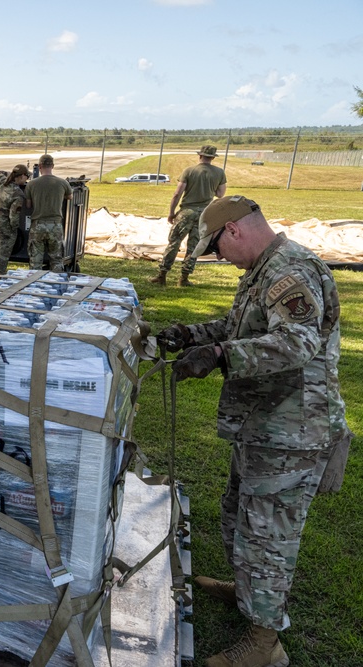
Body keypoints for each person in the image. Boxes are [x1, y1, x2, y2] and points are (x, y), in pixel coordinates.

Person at [158, 195, 350, 667]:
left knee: (268, 537)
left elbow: (295, 343)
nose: (218, 258)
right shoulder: (264, 270)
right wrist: (193, 335)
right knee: (239, 514)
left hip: (293, 433)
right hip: (266, 424)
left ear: (235, 232)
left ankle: (264, 645)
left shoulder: (290, 273)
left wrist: (222, 356)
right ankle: (248, 591)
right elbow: (241, 325)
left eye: (216, 249)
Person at [150, 145, 227, 286]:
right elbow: (220, 194)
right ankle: (184, 278)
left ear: (200, 155)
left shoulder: (189, 171)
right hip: (204, 214)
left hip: (186, 212)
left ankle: (162, 275)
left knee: (174, 243)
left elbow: (177, 193)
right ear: (213, 157)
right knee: (194, 246)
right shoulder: (219, 173)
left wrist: (171, 212)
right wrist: (209, 188)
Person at [25, 154, 72, 271]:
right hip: (55, 225)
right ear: (53, 166)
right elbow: (70, 196)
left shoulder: (31, 184)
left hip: (38, 225)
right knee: (56, 259)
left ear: (39, 166)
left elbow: (28, 205)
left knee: (35, 262)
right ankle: (56, 284)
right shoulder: (62, 183)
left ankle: (33, 286)